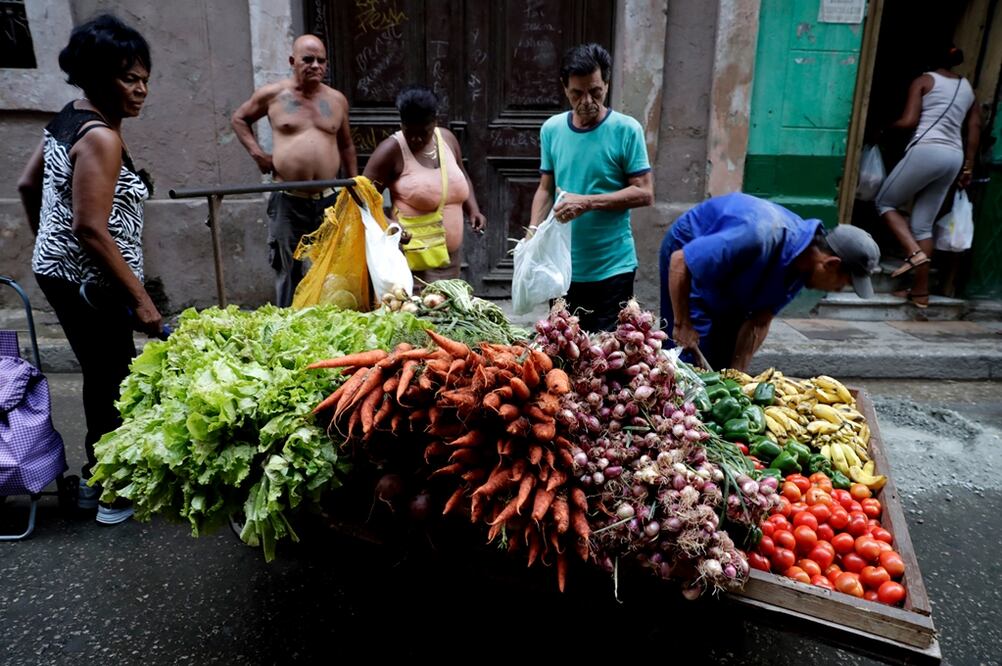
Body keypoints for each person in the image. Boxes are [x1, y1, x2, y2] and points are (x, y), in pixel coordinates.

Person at [17, 14, 162, 525]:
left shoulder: (69, 115)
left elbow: (28, 185)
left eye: (145, 77)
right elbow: (92, 229)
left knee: (105, 372)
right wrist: (143, 303)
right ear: (99, 78)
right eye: (129, 78)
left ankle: (105, 475)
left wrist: (47, 244)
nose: (142, 89)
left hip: (61, 273)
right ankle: (111, 492)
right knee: (112, 377)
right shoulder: (101, 137)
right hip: (88, 282)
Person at [660, 193, 881, 372]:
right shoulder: (758, 236)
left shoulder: (801, 269)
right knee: (685, 357)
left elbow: (759, 321)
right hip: (690, 257)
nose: (839, 289)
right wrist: (683, 324)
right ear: (831, 264)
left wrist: (738, 377)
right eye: (843, 283)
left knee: (723, 357)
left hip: (734, 277)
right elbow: (680, 261)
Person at [528, 43, 654, 332]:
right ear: (564, 89)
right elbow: (546, 188)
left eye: (595, 91)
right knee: (564, 351)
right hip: (563, 267)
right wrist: (533, 231)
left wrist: (586, 202)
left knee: (606, 358)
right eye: (577, 93)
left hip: (613, 268)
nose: (586, 101)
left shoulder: (627, 130)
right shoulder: (552, 129)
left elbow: (644, 192)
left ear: (607, 85)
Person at [231, 34, 358, 307]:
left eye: (321, 61)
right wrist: (258, 154)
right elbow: (239, 118)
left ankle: (327, 326)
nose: (315, 65)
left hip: (329, 199)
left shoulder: (336, 100)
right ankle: (287, 327)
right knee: (288, 269)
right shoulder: (274, 95)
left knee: (331, 268)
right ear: (292, 61)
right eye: (307, 59)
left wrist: (353, 186)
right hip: (288, 198)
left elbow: (347, 145)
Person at [874, 44, 981, 308]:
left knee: (884, 203)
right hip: (953, 157)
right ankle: (920, 292)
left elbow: (909, 121)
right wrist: (968, 166)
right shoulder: (967, 88)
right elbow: (975, 126)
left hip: (926, 150)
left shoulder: (923, 80)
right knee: (923, 225)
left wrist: (884, 127)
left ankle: (913, 253)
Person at [362, 85, 486, 284]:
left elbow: (462, 174)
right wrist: (387, 222)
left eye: (424, 132)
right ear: (402, 124)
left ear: (435, 122)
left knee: (446, 309)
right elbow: (362, 196)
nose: (416, 139)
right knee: (415, 311)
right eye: (410, 132)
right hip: (411, 261)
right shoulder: (391, 150)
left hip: (449, 259)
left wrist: (473, 210)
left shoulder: (447, 139)